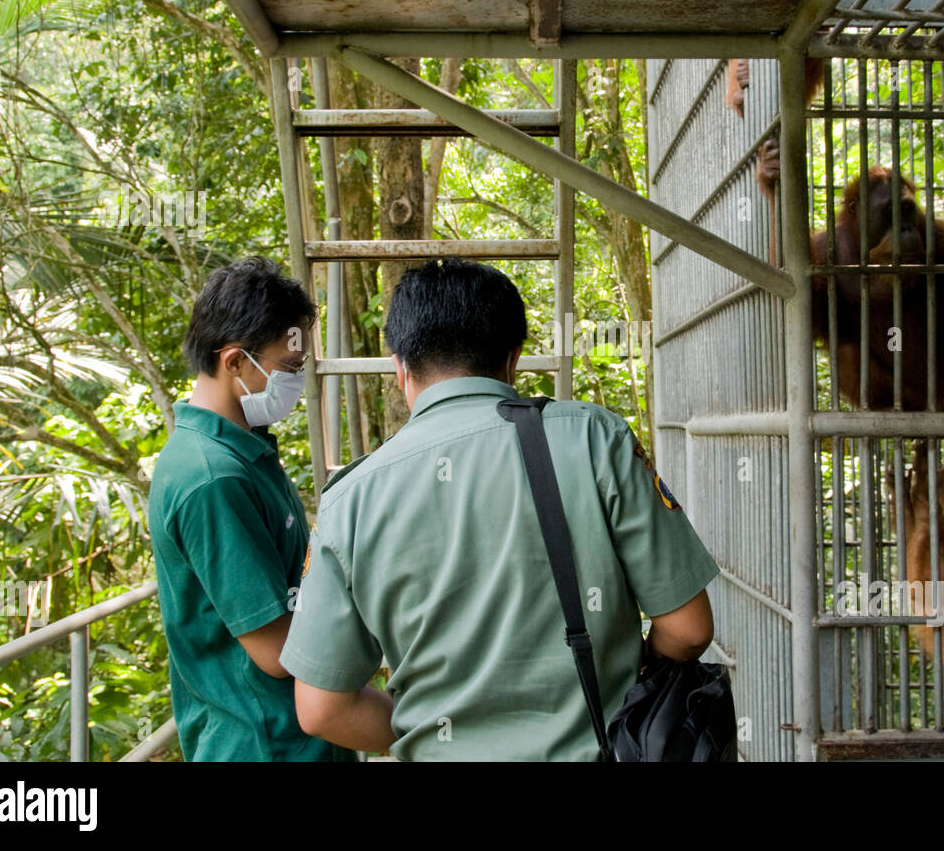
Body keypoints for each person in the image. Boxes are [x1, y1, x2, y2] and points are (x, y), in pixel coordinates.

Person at [280, 257, 719, 760]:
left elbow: (320, 709)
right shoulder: (593, 438)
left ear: (400, 368)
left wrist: (431, 740)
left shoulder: (348, 501)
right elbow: (688, 631)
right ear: (514, 358)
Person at [147, 258, 356, 761]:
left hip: (302, 738)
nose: (296, 383)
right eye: (288, 369)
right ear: (235, 361)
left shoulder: (244, 448)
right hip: (264, 743)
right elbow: (277, 652)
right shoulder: (211, 478)